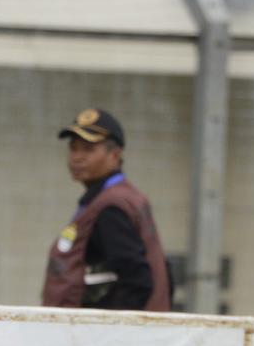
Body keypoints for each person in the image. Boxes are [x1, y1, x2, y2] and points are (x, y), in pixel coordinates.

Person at [42, 108, 172, 311]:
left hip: (98, 329)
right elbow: (163, 273)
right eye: (73, 148)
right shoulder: (124, 197)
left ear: (115, 155)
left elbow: (137, 282)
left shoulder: (110, 208)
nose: (77, 157)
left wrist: (97, 324)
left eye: (88, 149)